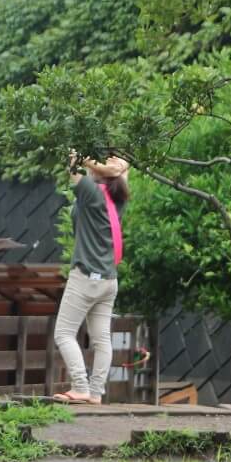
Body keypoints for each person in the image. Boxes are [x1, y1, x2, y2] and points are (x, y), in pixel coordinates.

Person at [53, 153, 130, 404]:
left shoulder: (89, 192)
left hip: (86, 277)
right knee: (101, 339)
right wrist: (108, 167)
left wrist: (85, 159)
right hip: (109, 280)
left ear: (97, 173)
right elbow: (124, 167)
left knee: (63, 333)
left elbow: (70, 161)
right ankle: (96, 393)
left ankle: (80, 386)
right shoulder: (119, 198)